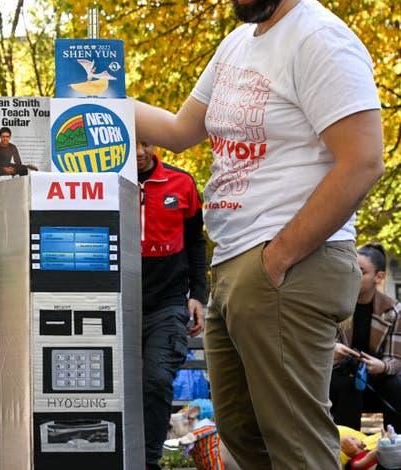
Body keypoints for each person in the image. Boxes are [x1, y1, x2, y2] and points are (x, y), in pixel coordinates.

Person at [133, 0, 384, 467]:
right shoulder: (237, 44)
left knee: (297, 449)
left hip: (287, 264)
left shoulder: (318, 37)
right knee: (246, 442)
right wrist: (92, 103)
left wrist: (278, 257)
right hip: (235, 264)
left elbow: (365, 159)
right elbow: (179, 129)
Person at [137, 141, 207, 469]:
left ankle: (150, 462)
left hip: (166, 303)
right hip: (113, 300)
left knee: (155, 380)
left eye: (145, 142)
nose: (138, 150)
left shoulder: (182, 183)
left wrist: (198, 295)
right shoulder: (102, 179)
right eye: (132, 141)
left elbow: (195, 241)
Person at [331, 243, 401, 430]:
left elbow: (395, 358)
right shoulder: (335, 304)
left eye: (361, 271)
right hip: (341, 373)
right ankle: (346, 451)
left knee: (395, 386)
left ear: (379, 277)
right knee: (347, 388)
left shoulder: (394, 310)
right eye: (350, 268)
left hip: (375, 376)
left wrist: (382, 366)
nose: (353, 275)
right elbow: (318, 344)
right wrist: (332, 351)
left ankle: (394, 450)